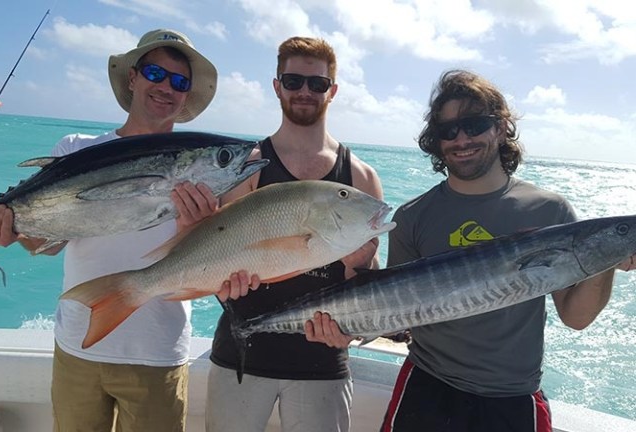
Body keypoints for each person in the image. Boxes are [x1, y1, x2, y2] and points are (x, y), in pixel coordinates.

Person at [0, 29, 222, 431]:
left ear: (186, 97)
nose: (166, 86)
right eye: (155, 73)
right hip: (78, 345)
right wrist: (10, 230)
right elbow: (46, 243)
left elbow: (212, 264)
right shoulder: (75, 148)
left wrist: (197, 227)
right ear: (132, 77)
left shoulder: (207, 179)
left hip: (158, 350)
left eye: (180, 82)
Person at [379, 69, 636, 432]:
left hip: (511, 398)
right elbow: (398, 318)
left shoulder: (550, 211)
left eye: (474, 124)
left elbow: (576, 318)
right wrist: (348, 319)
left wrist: (608, 258)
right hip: (426, 387)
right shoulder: (411, 217)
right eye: (447, 131)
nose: (461, 138)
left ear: (500, 128)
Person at [204, 36, 384, 432]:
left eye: (317, 84)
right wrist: (223, 285)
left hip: (323, 360)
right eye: (293, 81)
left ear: (332, 91)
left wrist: (351, 325)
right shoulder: (247, 167)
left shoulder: (361, 177)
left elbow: (366, 280)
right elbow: (217, 256)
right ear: (277, 86)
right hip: (242, 355)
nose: (305, 91)